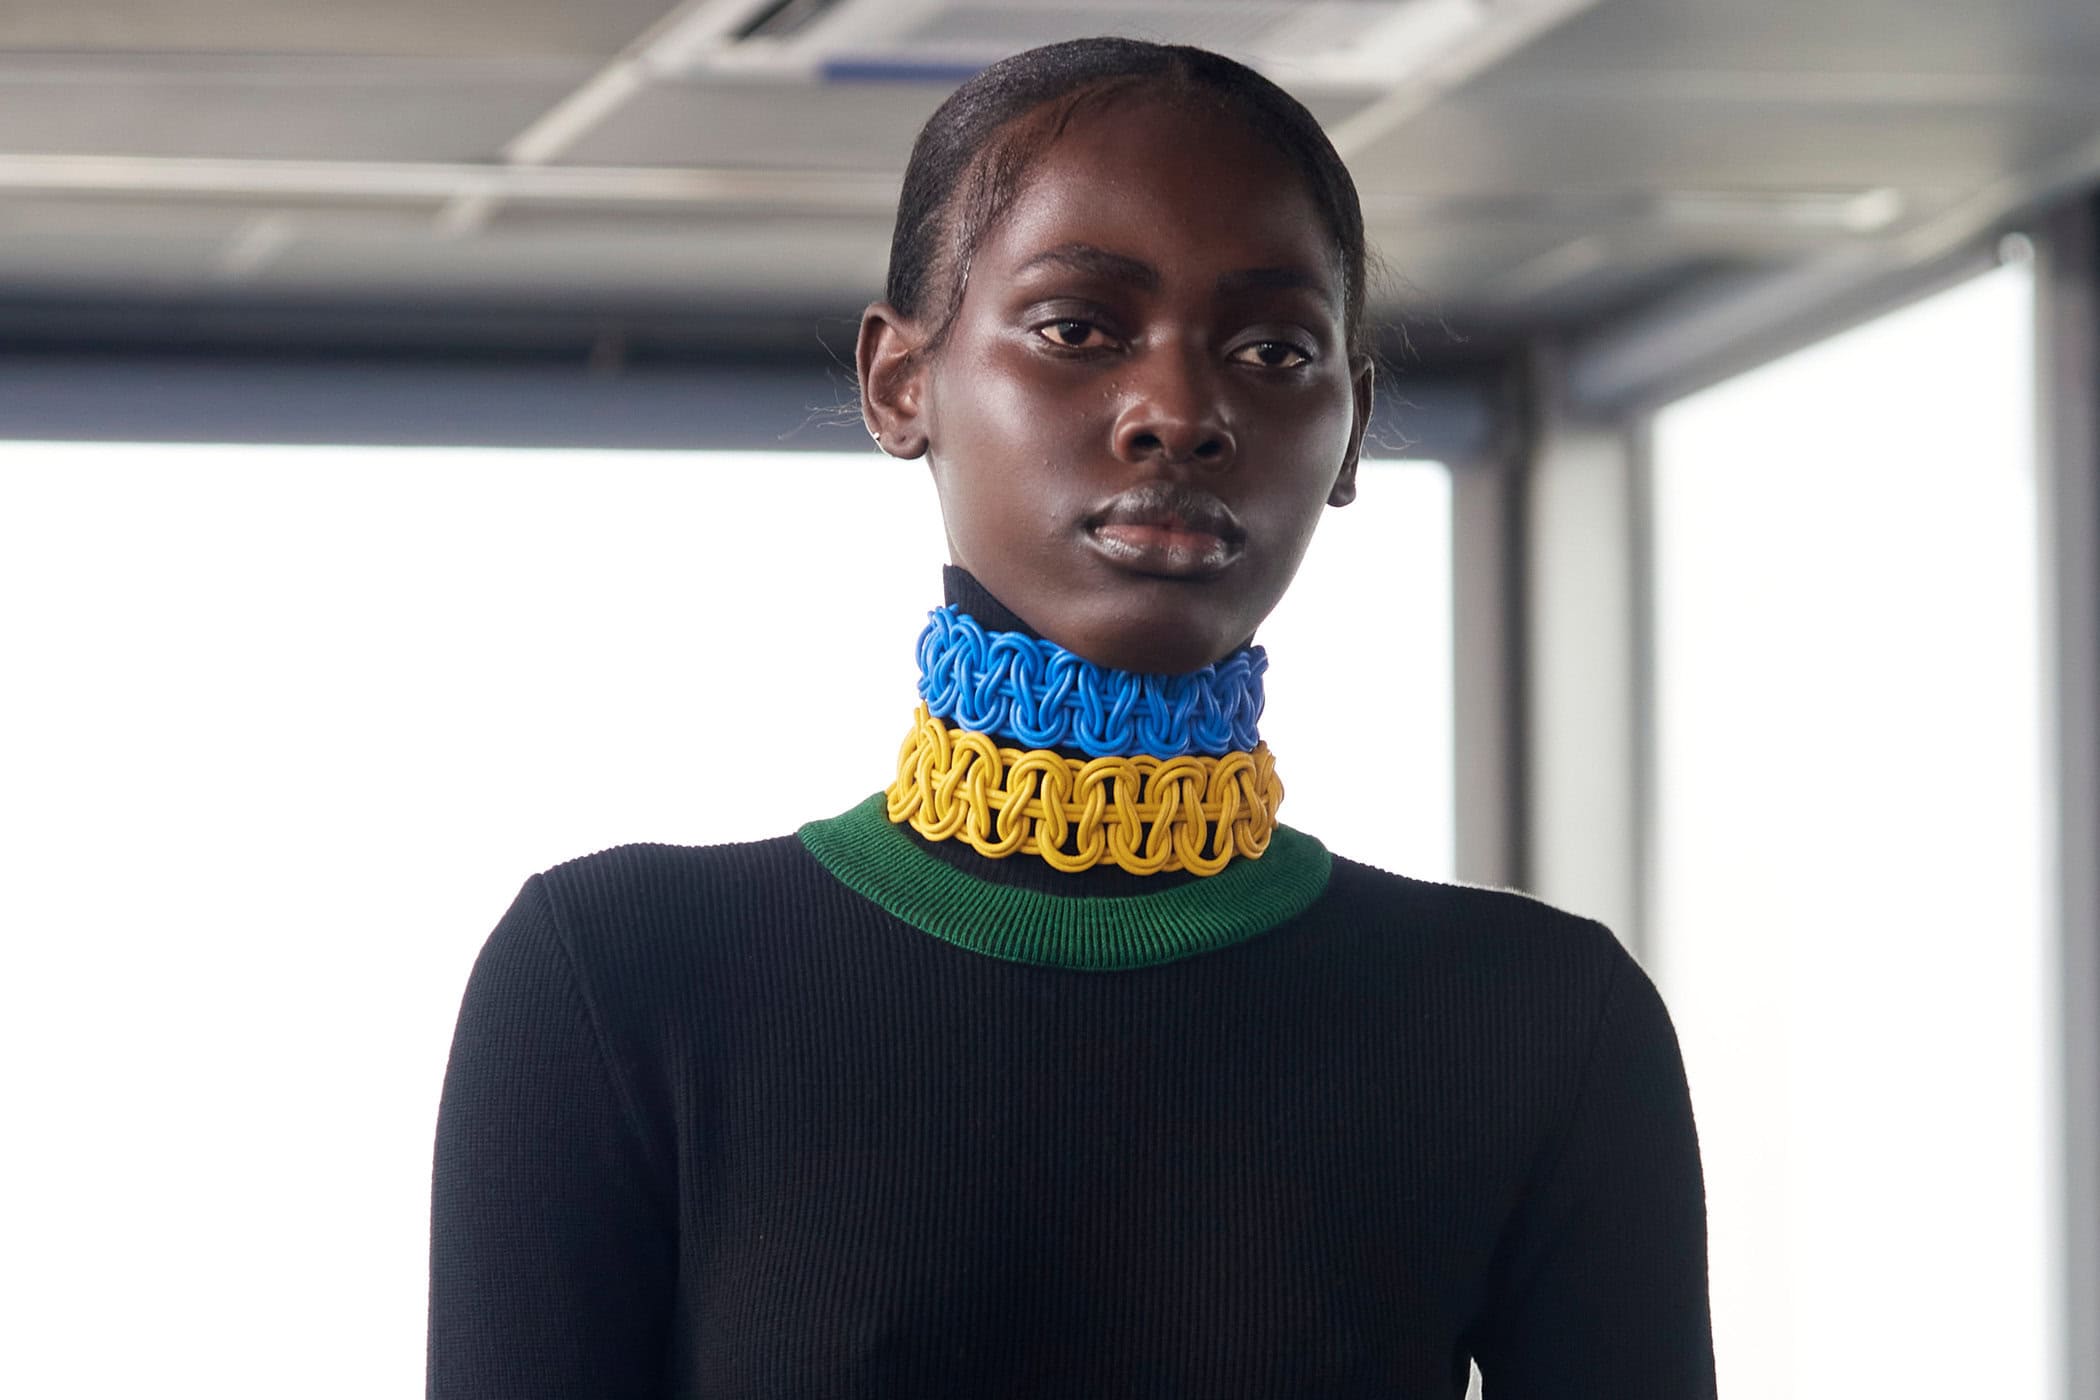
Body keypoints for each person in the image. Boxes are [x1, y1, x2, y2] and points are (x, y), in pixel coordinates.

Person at [426, 36, 1717, 1399]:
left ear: (1350, 431)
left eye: (1274, 350)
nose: (1180, 412)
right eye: (1077, 330)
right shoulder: (621, 983)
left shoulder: (1536, 1023)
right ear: (900, 383)